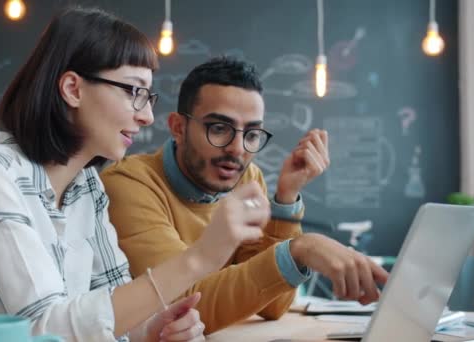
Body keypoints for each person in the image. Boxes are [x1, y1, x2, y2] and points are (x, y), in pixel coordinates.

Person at [0, 9, 271, 342]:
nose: (146, 116)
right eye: (134, 92)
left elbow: (105, 312)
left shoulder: (87, 189)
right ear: (73, 88)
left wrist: (150, 329)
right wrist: (202, 256)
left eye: (148, 97)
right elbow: (44, 328)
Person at [100, 56, 390, 333]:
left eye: (251, 134)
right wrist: (301, 249)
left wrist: (286, 200)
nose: (237, 149)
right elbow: (184, 306)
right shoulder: (128, 184)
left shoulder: (247, 179)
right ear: (178, 127)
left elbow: (272, 305)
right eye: (219, 128)